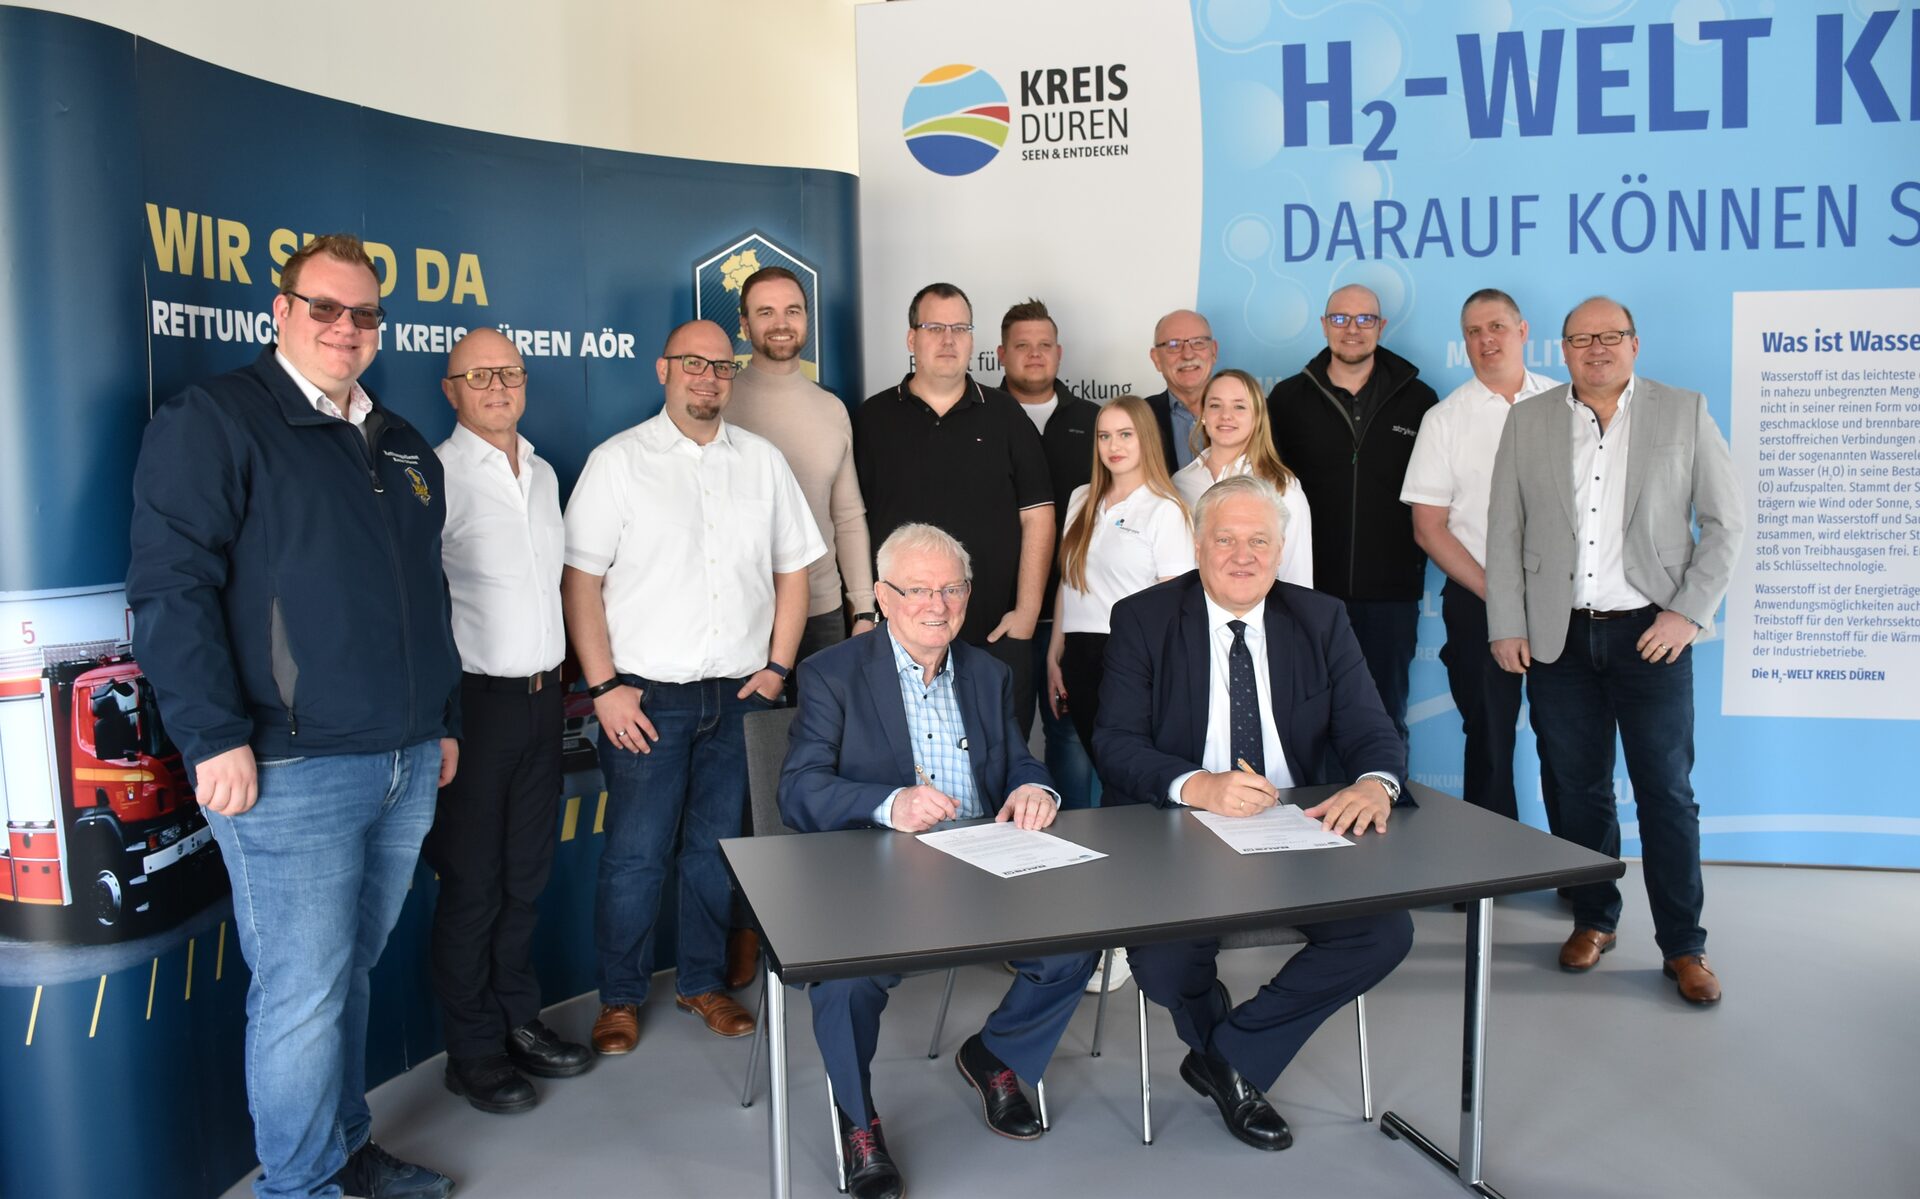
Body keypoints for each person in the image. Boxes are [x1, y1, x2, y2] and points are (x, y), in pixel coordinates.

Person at [128, 233, 462, 1199]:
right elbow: (171, 588)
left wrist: (439, 717)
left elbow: (425, 594)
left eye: (364, 314)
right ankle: (301, 1186)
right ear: (281, 311)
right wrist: (212, 734)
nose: (345, 328)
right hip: (289, 765)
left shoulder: (401, 442)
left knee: (345, 975)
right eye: (325, 307)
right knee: (303, 993)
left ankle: (341, 1152)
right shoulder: (216, 419)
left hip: (403, 755)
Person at [1091, 475, 1412, 1152]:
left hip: (1297, 832)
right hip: (1178, 834)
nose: (1243, 556)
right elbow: (1115, 743)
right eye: (1226, 539)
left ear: (1280, 548)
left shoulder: (1321, 618)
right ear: (1197, 545)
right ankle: (1232, 1056)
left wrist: (1376, 784)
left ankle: (1230, 1059)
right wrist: (1197, 785)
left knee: (1384, 933)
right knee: (1164, 963)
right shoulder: (1144, 618)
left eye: (1259, 541)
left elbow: (1371, 729)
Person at [781, 523, 1099, 1199]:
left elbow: (1017, 759)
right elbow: (799, 790)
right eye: (919, 590)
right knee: (843, 984)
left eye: (952, 589)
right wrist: (889, 803)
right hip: (876, 874)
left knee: (1077, 940)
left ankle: (995, 1053)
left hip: (983, 863)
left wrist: (1034, 788)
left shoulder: (987, 673)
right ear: (883, 597)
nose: (937, 604)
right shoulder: (832, 673)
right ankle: (858, 1120)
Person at [562, 319, 825, 1054]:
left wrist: (777, 668)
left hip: (740, 695)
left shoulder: (763, 462)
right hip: (646, 698)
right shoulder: (618, 462)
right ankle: (619, 998)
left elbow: (794, 572)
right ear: (663, 369)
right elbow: (580, 582)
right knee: (635, 856)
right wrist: (604, 686)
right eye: (692, 363)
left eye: (719, 365)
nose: (707, 376)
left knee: (715, 853)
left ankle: (702, 982)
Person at [1486, 297, 1743, 1004]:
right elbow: (1505, 530)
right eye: (1581, 338)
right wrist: (1507, 623)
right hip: (1559, 637)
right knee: (1576, 788)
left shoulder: (1683, 411)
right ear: (1563, 349)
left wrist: (1687, 614)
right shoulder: (1528, 420)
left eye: (1611, 336)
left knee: (1666, 792)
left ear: (1634, 342)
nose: (1596, 348)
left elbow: (1726, 524)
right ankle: (1595, 918)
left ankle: (1684, 945)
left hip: (1651, 635)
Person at [427, 328, 591, 1116]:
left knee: (526, 876)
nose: (497, 386)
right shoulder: (435, 475)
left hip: (541, 701)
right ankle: (473, 1051)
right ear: (450, 389)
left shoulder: (545, 472)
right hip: (475, 706)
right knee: (473, 884)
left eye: (510, 372)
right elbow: (422, 605)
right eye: (479, 375)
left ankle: (518, 1020)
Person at [856, 283, 1053, 739]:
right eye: (934, 327)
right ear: (912, 338)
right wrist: (865, 611)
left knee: (1001, 764)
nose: (948, 339)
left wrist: (1026, 613)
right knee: (906, 767)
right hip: (900, 641)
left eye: (960, 328)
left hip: (993, 638)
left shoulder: (1006, 415)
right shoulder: (872, 419)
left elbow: (1038, 516)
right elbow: (851, 523)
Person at [1399, 289, 1561, 825]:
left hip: (1562, 599)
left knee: (1569, 737)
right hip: (1479, 597)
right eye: (1473, 331)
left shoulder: (1568, 404)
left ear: (1522, 331)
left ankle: (1580, 865)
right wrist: (1501, 596)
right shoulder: (1445, 419)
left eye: (1496, 327)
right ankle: (1492, 864)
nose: (1486, 339)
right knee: (1489, 737)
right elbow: (1428, 528)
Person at [1266, 284, 1437, 743]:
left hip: (1390, 597)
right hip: (1308, 592)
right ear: (1324, 325)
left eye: (1365, 319)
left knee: (1384, 718)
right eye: (1341, 318)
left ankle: (1384, 792)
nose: (1352, 329)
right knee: (1308, 721)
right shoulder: (1287, 399)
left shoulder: (1419, 400)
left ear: (1381, 326)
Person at [727, 265, 878, 664]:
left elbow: (847, 516)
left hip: (822, 612)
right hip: (742, 612)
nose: (781, 323)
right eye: (766, 312)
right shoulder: (720, 404)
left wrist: (863, 609)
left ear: (806, 320)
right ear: (744, 324)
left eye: (792, 311)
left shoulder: (832, 409)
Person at [1047, 394, 1193, 757]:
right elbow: (1069, 582)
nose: (1114, 446)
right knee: (1101, 762)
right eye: (1105, 436)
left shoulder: (1166, 509)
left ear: (1146, 438)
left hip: (1132, 658)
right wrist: (1054, 654)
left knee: (1129, 767)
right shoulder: (1081, 499)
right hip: (1078, 655)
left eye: (1126, 434)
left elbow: (1174, 605)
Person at [998, 298, 1100, 809]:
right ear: (1000, 354)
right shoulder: (981, 415)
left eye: (1044, 345)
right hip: (1001, 616)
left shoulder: (1095, 422)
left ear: (1059, 353)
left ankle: (1078, 838)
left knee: (1072, 734)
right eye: (1022, 346)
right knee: (1001, 733)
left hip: (1076, 612)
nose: (1034, 354)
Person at [1174, 368, 1314, 587]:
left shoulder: (1282, 487)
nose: (1225, 415)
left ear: (1257, 416)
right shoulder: (1180, 483)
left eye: (1239, 406)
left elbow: (1297, 578)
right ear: (1203, 415)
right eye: (1215, 405)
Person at [1143, 309, 1219, 471]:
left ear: (1214, 351)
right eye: (1174, 345)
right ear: (1156, 358)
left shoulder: (1256, 412)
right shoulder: (1139, 418)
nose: (1188, 355)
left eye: (1198, 342)